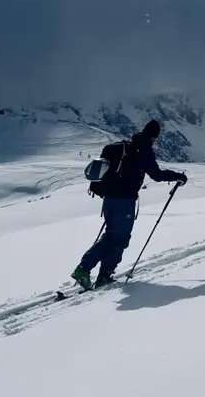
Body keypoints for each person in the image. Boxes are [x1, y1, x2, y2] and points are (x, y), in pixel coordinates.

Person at [71, 120, 186, 290]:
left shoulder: (125, 146)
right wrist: (178, 176)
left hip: (109, 199)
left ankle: (90, 271)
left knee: (110, 235)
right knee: (120, 239)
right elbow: (156, 175)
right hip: (124, 202)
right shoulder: (143, 150)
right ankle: (97, 273)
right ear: (155, 136)